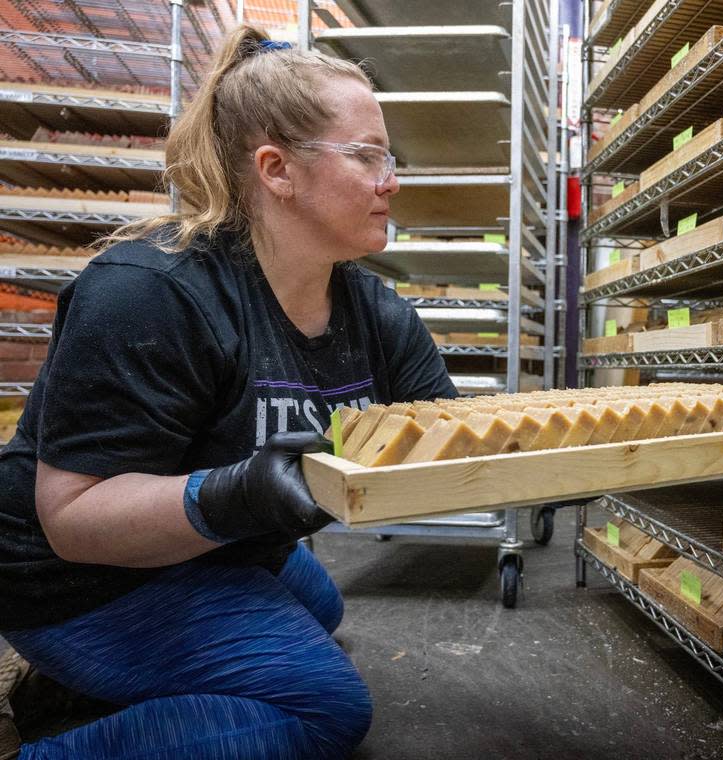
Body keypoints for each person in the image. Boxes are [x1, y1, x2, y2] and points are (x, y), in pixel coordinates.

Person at [0, 24, 456, 760]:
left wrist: (573, 460)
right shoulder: (149, 295)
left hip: (211, 550)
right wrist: (231, 496)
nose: (390, 180)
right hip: (72, 580)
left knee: (324, 607)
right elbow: (74, 521)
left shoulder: (377, 314)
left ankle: (93, 688)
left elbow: (451, 434)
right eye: (367, 155)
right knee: (324, 708)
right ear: (277, 170)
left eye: (388, 157)